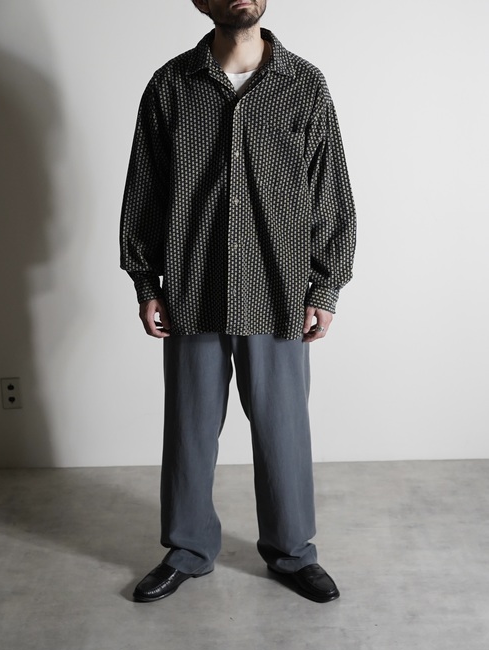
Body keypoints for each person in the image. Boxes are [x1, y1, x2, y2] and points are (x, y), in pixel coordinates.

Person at [120, 0, 356, 604]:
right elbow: (144, 190)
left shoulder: (304, 84)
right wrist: (147, 283)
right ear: (201, 2)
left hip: (278, 290)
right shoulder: (171, 85)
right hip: (191, 286)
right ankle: (188, 549)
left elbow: (329, 191)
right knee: (190, 429)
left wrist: (325, 285)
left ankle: (292, 551)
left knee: (283, 429)